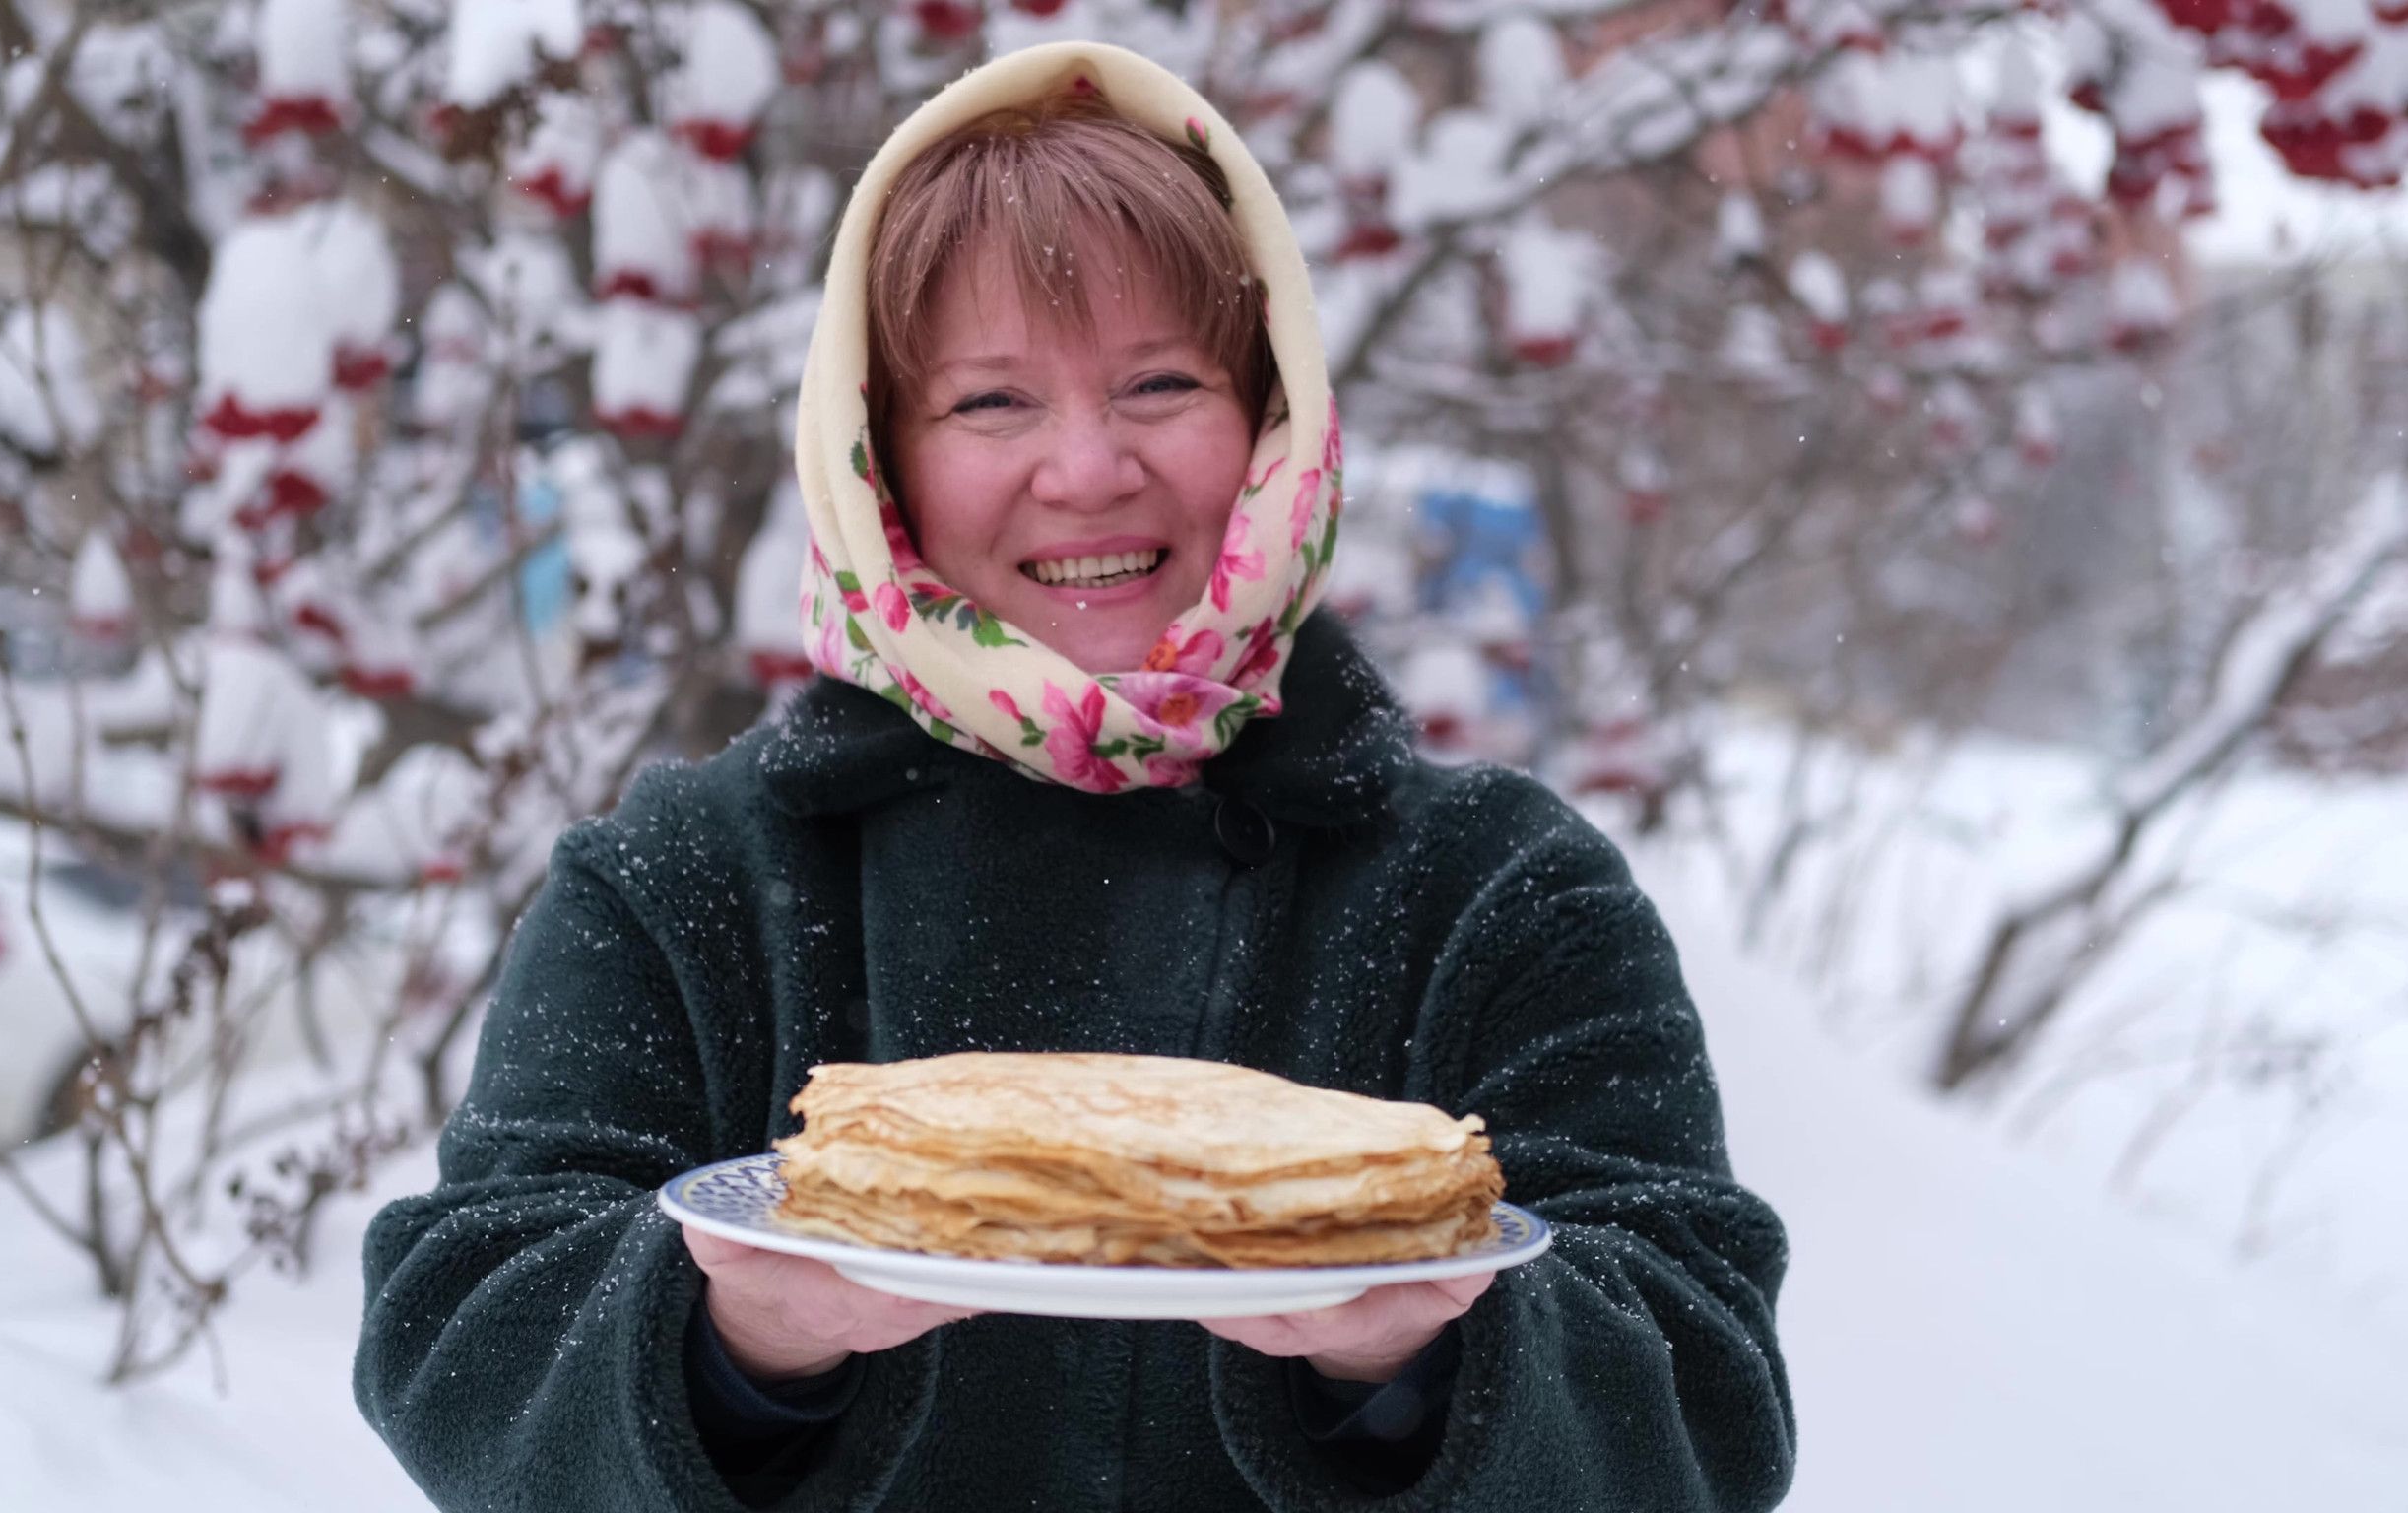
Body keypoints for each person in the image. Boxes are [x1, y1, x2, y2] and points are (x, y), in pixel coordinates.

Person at [356, 41, 1794, 1512]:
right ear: (879, 459)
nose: (1089, 471)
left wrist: (1418, 1372)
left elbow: (1708, 1409)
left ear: (1270, 420)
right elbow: (460, 1341)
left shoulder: (1501, 890)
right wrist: (735, 1336)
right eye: (992, 403)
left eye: (1161, 383)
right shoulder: (693, 878)